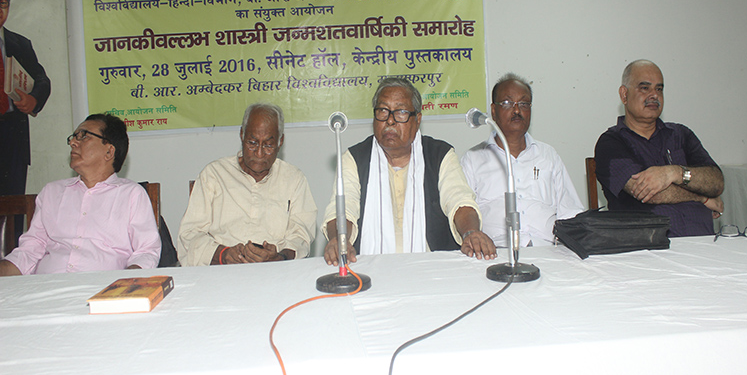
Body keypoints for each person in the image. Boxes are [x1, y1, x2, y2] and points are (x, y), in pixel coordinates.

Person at [322, 77, 496, 265]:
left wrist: (470, 232)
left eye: (401, 112)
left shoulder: (440, 155)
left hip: (431, 268)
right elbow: (343, 209)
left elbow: (459, 200)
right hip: (368, 267)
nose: (390, 120)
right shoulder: (354, 158)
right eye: (383, 111)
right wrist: (339, 240)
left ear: (417, 119)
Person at [0, 114, 161, 276]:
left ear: (109, 151)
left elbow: (146, 251)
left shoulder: (131, 194)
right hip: (47, 284)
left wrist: (127, 281)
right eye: (73, 137)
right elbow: (30, 251)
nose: (73, 142)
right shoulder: (52, 192)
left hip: (101, 286)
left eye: (84, 136)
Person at [594, 59, 723, 237]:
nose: (654, 95)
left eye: (659, 89)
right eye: (644, 88)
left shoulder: (681, 134)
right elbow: (647, 192)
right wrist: (702, 197)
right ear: (624, 94)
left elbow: (716, 182)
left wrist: (674, 173)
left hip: (705, 240)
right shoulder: (611, 143)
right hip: (649, 246)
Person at [178, 103, 317, 266]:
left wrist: (279, 257)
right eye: (252, 142)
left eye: (268, 145)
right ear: (242, 135)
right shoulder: (214, 174)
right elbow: (190, 235)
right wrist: (223, 254)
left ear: (280, 141)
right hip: (221, 271)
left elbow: (301, 236)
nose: (259, 153)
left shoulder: (293, 179)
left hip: (274, 270)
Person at [461, 73, 584, 247]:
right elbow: (463, 209)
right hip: (495, 251)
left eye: (524, 104)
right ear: (493, 111)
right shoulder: (474, 158)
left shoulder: (548, 155)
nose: (517, 110)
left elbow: (570, 211)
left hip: (548, 250)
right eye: (507, 103)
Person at [0, 0, 52, 200]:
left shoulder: (20, 44)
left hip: (14, 137)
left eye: (3, 2)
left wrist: (34, 100)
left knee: (13, 208)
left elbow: (42, 80)